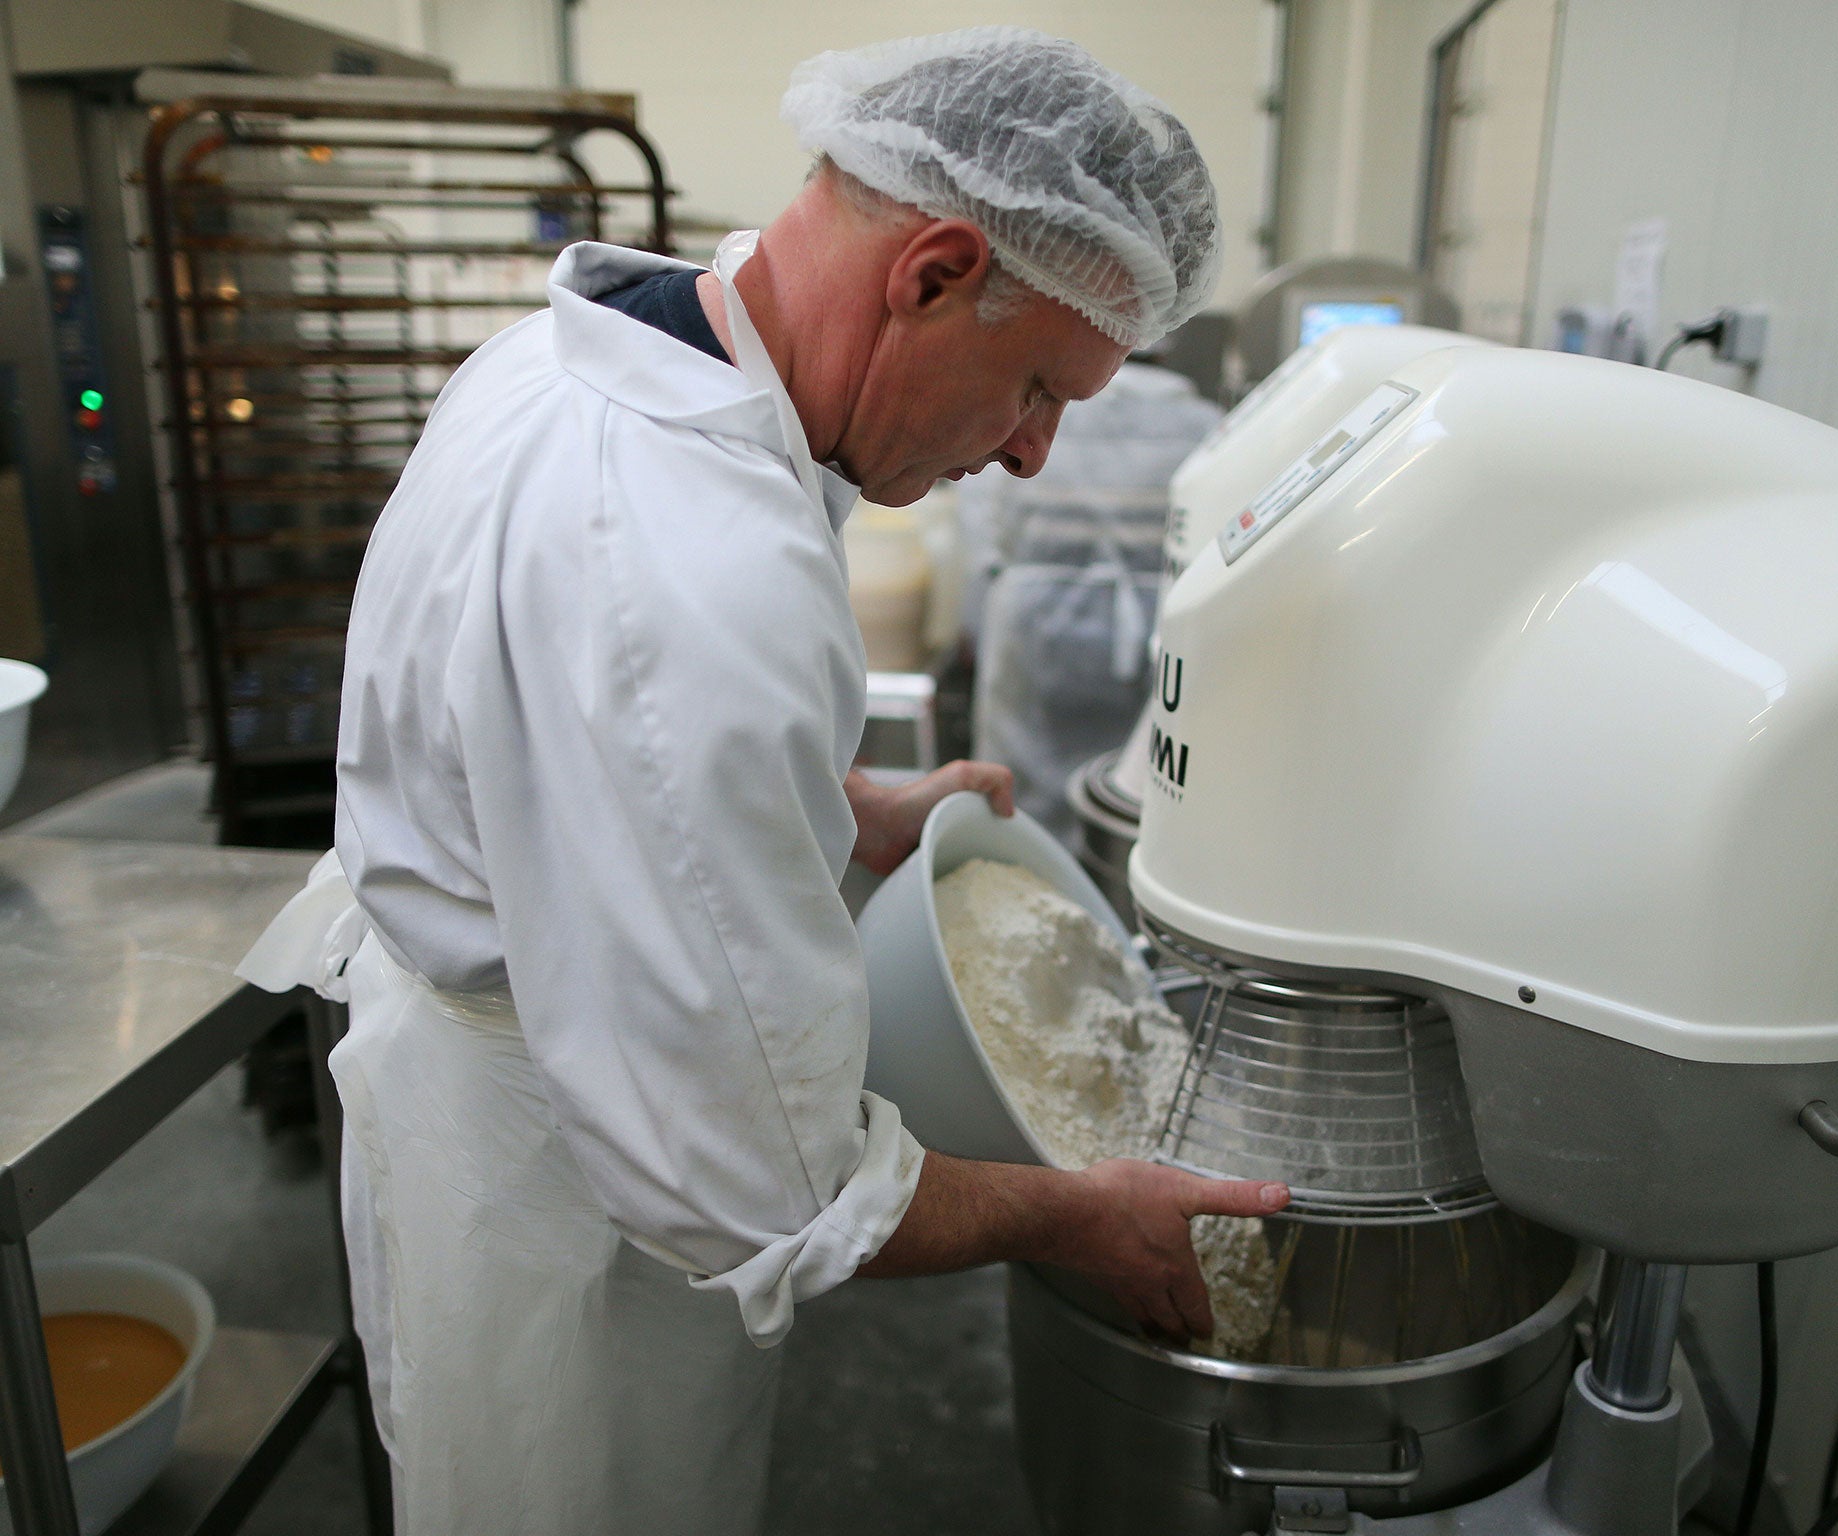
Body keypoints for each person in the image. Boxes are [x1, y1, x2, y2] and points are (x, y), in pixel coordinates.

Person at [237, 27, 1286, 1536]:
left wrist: (834, 808)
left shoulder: (581, 356)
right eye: (1043, 385)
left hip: (512, 1087)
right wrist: (1076, 1216)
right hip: (568, 1195)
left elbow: (556, 741)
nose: (1038, 454)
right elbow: (767, 1186)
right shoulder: (691, 568)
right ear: (929, 272)